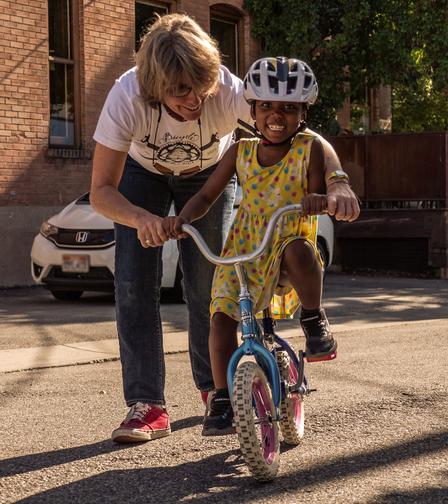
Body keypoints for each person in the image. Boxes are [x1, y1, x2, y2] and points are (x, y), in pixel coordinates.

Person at [90, 12, 359, 444]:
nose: (196, 100)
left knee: (211, 282)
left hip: (210, 173)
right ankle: (148, 405)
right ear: (154, 87)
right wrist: (142, 219)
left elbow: (294, 132)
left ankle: (213, 389)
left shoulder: (228, 88)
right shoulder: (127, 96)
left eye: (203, 87)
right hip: (143, 175)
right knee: (134, 285)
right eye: (181, 94)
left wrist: (336, 179)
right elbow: (102, 190)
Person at [162, 56, 351, 436]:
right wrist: (182, 219)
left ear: (303, 112)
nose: (275, 115)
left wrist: (334, 191)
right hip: (244, 249)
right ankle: (221, 396)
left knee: (300, 250)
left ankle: (313, 319)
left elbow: (334, 175)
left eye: (288, 108)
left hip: (285, 244)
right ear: (252, 109)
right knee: (220, 318)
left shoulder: (311, 148)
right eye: (266, 106)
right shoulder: (241, 150)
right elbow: (205, 195)